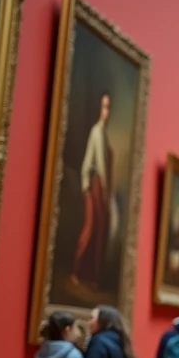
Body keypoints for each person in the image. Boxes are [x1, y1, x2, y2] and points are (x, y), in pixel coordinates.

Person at [71, 92, 114, 290]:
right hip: (94, 183)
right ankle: (77, 271)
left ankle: (92, 276)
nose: (106, 111)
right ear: (99, 108)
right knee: (90, 227)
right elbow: (97, 164)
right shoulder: (97, 131)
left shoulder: (104, 135)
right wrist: (94, 189)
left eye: (109, 107)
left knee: (100, 229)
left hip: (100, 186)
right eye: (104, 106)